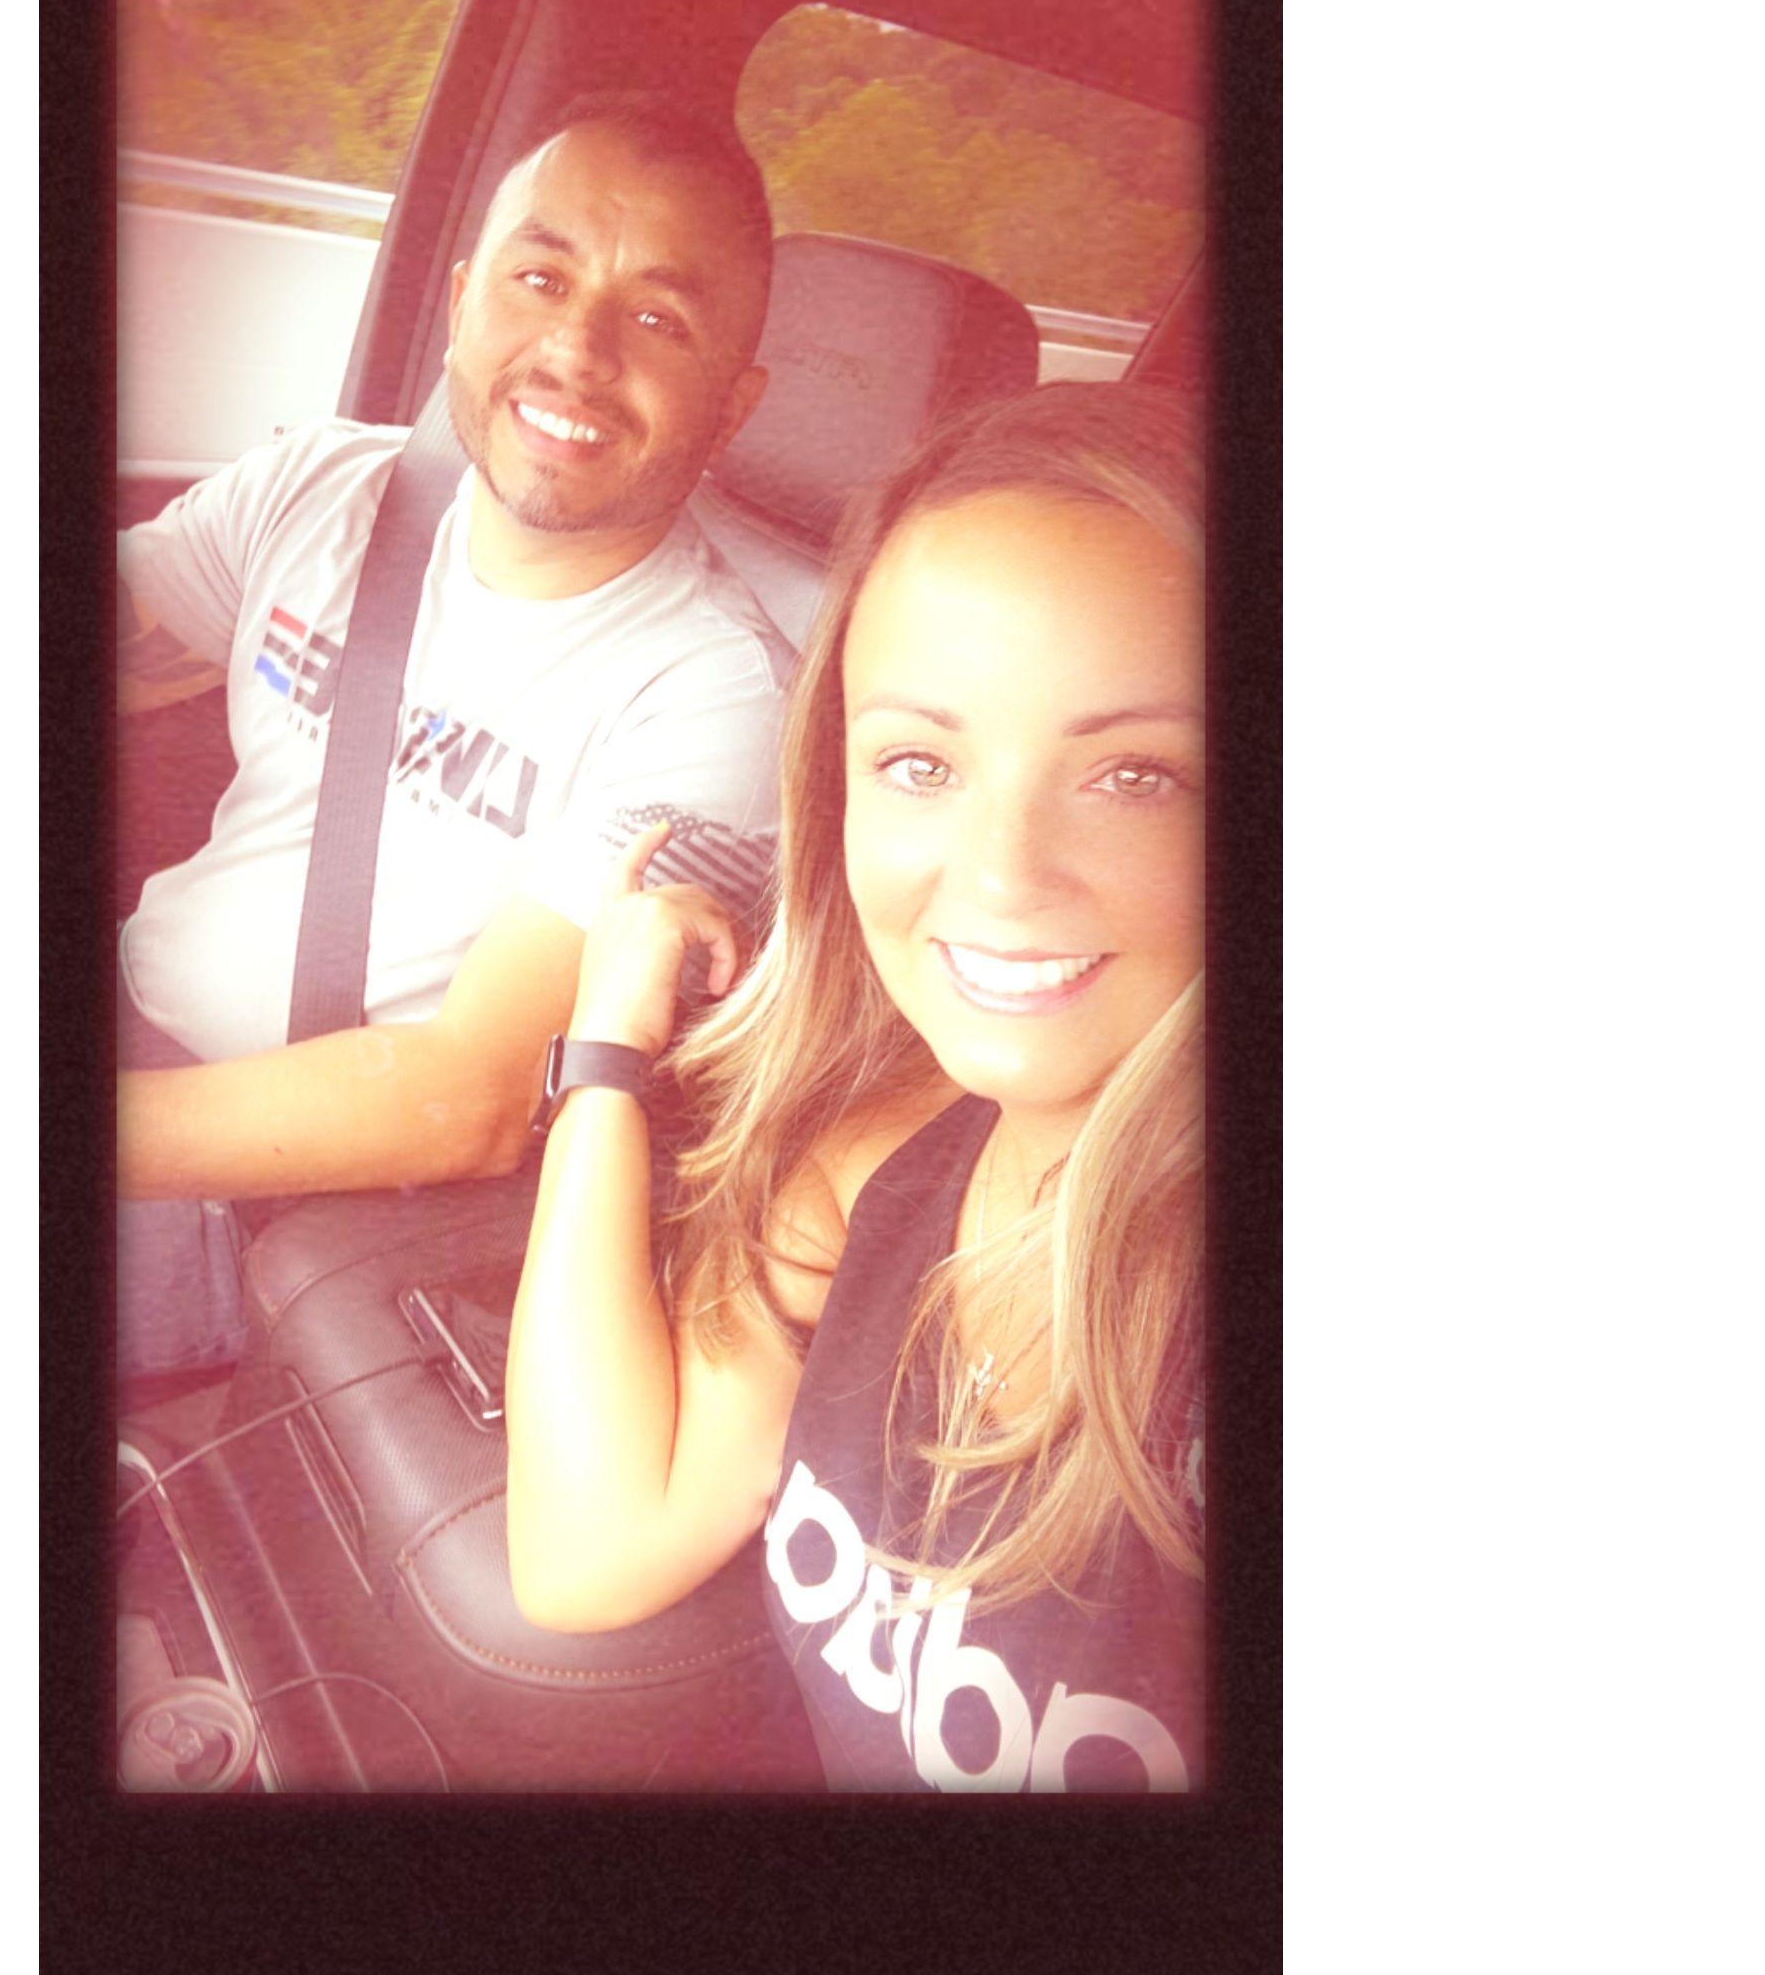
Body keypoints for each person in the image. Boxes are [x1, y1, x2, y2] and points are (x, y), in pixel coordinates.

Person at [503, 381, 1205, 1792]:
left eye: (1137, 775)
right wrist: (607, 1046)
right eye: (919, 764)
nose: (1000, 876)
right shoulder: (884, 1163)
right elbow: (593, 1548)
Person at [112, 95, 794, 1381]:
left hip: (261, 1198)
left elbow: (466, 1098)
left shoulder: (721, 694)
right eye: (541, 279)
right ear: (465, 296)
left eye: (660, 319)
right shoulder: (320, 490)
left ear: (734, 402)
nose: (578, 349)